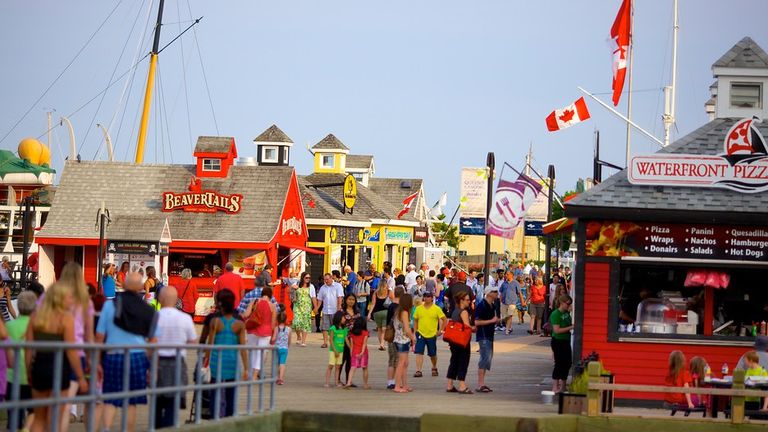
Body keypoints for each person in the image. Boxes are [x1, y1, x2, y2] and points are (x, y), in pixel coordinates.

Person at [96, 272, 156, 432]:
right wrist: (150, 365)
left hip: (113, 355)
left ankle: (106, 428)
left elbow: (99, 335)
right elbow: (153, 341)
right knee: (131, 401)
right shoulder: (148, 310)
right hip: (137, 356)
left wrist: (96, 360)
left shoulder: (110, 305)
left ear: (123, 284)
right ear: (141, 287)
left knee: (110, 397)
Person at [27, 282, 88, 432]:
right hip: (59, 369)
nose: (71, 301)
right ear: (59, 298)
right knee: (56, 416)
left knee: (39, 416)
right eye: (69, 297)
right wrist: (80, 376)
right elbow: (71, 351)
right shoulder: (65, 319)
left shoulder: (35, 317)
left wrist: (29, 371)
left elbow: (28, 348)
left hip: (39, 367)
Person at [57, 262, 95, 429]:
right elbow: (89, 335)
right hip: (76, 352)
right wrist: (91, 359)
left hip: (50, 350)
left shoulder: (49, 297)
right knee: (65, 404)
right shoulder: (85, 301)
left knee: (49, 405)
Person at [153, 286, 197, 428]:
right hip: (177, 362)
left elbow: (149, 341)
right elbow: (192, 341)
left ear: (160, 299)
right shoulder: (185, 318)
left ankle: (157, 427)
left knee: (158, 400)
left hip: (158, 362)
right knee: (173, 401)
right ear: (176, 299)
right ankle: (170, 427)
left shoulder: (154, 317)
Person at [205, 289, 249, 418]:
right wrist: (246, 368)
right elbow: (242, 348)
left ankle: (215, 420)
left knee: (215, 395)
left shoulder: (215, 322)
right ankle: (229, 422)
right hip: (232, 363)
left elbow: (210, 344)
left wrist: (205, 362)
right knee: (231, 397)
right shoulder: (239, 324)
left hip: (215, 362)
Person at [7, 291, 36, 431]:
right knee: (34, 410)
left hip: (12, 377)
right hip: (30, 376)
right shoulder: (36, 326)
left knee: (14, 414)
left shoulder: (9, 327)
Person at [242, 286, 276, 380]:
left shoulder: (254, 301)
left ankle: (249, 372)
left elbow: (246, 314)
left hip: (252, 330)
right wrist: (273, 337)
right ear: (270, 295)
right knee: (261, 354)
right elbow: (273, 324)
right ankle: (255, 374)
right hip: (266, 332)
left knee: (252, 352)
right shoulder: (272, 306)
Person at [412, 290, 446, 378]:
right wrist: (415, 331)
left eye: (428, 296)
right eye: (425, 296)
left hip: (432, 334)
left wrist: (441, 330)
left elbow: (444, 319)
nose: (426, 298)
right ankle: (418, 370)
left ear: (432, 298)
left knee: (432, 354)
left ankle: (434, 367)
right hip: (421, 333)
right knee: (419, 352)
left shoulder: (436, 309)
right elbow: (415, 319)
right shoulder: (419, 308)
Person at [446, 291, 473, 394]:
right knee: (463, 361)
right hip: (462, 340)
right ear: (461, 300)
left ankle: (450, 384)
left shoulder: (455, 311)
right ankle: (462, 385)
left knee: (454, 361)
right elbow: (467, 326)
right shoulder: (464, 312)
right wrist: (474, 328)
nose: (469, 302)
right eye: (467, 300)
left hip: (453, 340)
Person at [475, 286, 500, 393]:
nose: (497, 293)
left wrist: (496, 321)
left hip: (489, 335)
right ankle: (480, 384)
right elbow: (476, 322)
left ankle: (482, 383)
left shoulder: (492, 305)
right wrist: (491, 321)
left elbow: (493, 319)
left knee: (487, 359)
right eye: (494, 291)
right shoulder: (482, 305)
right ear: (489, 293)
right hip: (483, 335)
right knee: (484, 358)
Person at [550, 294, 574, 393]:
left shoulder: (566, 313)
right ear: (562, 303)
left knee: (567, 363)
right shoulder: (556, 314)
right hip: (558, 341)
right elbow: (557, 330)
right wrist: (571, 327)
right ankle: (555, 386)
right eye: (568, 304)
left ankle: (563, 385)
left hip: (566, 340)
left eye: (570, 304)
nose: (569, 306)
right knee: (559, 363)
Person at [393, 293, 415, 393]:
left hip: (399, 339)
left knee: (405, 363)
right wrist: (413, 338)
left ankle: (404, 385)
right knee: (401, 363)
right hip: (403, 339)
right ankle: (397, 386)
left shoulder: (399, 311)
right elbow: (407, 329)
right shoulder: (405, 313)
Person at [315, 274, 343, 349]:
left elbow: (339, 297)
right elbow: (320, 299)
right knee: (325, 327)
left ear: (331, 278)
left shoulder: (337, 286)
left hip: (335, 310)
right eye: (325, 280)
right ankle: (325, 342)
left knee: (335, 327)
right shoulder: (323, 288)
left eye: (327, 279)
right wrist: (317, 308)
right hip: (326, 310)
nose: (326, 281)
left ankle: (335, 342)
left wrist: (339, 307)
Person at [385, 286, 404, 390]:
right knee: (398, 359)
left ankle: (390, 381)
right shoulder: (400, 307)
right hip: (398, 335)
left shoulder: (391, 305)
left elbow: (388, 320)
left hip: (390, 334)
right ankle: (396, 381)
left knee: (391, 359)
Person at [344, 317, 370, 389]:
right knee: (365, 368)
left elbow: (351, 345)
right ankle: (365, 384)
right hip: (363, 353)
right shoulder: (365, 333)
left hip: (354, 352)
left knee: (352, 368)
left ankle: (349, 382)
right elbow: (364, 343)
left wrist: (351, 353)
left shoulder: (352, 333)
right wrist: (362, 352)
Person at [291, 272, 316, 347]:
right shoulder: (297, 283)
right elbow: (289, 291)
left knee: (305, 323)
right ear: (302, 278)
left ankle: (303, 341)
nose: (308, 279)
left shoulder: (311, 286)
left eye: (309, 278)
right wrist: (292, 288)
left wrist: (316, 307)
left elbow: (313, 297)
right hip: (297, 306)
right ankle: (298, 336)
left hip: (307, 306)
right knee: (296, 322)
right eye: (306, 278)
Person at [339, 294, 360, 385]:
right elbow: (338, 324)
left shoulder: (357, 311)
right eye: (349, 299)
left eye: (353, 299)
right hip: (343, 338)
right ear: (346, 300)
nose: (351, 301)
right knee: (342, 359)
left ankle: (349, 380)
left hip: (354, 339)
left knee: (350, 360)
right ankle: (338, 379)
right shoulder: (342, 312)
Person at [325, 311, 347, 387]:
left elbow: (346, 339)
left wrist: (351, 348)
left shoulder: (344, 329)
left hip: (341, 350)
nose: (344, 319)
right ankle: (327, 382)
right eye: (343, 317)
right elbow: (330, 340)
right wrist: (335, 350)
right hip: (333, 350)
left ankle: (336, 382)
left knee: (338, 367)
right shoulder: (333, 328)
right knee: (331, 365)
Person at [368, 281, 390, 351]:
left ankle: (381, 344)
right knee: (383, 329)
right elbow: (393, 301)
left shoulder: (376, 292)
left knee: (380, 329)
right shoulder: (389, 292)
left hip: (377, 313)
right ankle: (382, 344)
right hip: (386, 312)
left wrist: (369, 313)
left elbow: (373, 304)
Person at [273, 312, 291, 385]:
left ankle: (278, 377)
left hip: (277, 348)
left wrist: (271, 341)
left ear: (277, 320)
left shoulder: (276, 328)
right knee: (282, 363)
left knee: (278, 363)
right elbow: (289, 340)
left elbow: (274, 338)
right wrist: (288, 346)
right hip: (284, 348)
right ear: (286, 320)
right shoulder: (289, 329)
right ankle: (281, 378)